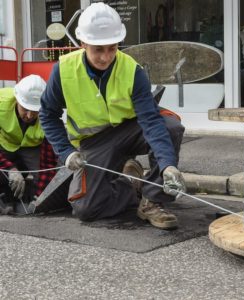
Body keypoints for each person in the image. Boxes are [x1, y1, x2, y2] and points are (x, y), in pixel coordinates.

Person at [40, 2, 186, 229]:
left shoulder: (132, 70)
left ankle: (153, 200)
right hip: (95, 143)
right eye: (98, 49)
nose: (106, 57)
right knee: (86, 209)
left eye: (112, 48)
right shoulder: (63, 70)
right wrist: (67, 152)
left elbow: (150, 121)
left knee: (170, 127)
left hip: (130, 130)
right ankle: (131, 181)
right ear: (83, 43)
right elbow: (48, 115)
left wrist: (167, 165)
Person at [0, 75, 57, 214]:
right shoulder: (1, 103)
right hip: (4, 145)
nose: (30, 115)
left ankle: (28, 195)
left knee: (43, 178)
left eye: (35, 110)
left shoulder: (50, 116)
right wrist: (10, 169)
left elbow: (48, 165)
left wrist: (39, 199)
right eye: (25, 108)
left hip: (31, 147)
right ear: (17, 100)